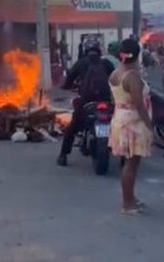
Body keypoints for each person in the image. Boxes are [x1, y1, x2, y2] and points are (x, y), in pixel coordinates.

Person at [109, 39, 153, 214]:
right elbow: (139, 104)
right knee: (131, 163)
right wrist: (150, 125)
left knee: (130, 162)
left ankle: (130, 198)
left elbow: (114, 98)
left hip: (120, 119)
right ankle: (127, 203)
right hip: (133, 123)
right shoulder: (132, 76)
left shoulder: (115, 73)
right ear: (137, 55)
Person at [57, 39, 114, 167]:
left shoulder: (80, 63)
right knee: (117, 124)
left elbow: (68, 81)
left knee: (73, 126)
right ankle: (125, 157)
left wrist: (66, 86)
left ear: (85, 50)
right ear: (99, 50)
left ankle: (63, 155)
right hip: (106, 101)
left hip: (86, 101)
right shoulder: (106, 63)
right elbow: (116, 79)